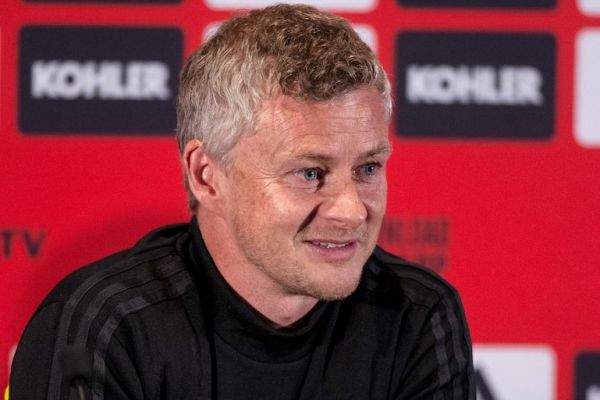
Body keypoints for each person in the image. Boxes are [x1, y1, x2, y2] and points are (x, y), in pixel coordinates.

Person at [10, 4, 474, 399]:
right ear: (205, 175)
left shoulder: (417, 314)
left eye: (368, 169)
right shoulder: (102, 326)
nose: (351, 210)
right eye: (310, 173)